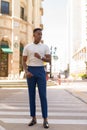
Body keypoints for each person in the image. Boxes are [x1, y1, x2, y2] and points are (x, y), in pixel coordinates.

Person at [22, 28, 51, 128]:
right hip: (31, 72)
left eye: (41, 34)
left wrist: (41, 58)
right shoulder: (27, 47)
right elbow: (23, 61)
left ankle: (45, 120)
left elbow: (49, 59)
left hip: (40, 71)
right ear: (34, 35)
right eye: (38, 34)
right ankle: (33, 118)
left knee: (43, 96)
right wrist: (26, 71)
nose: (40, 36)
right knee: (31, 96)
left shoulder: (45, 47)